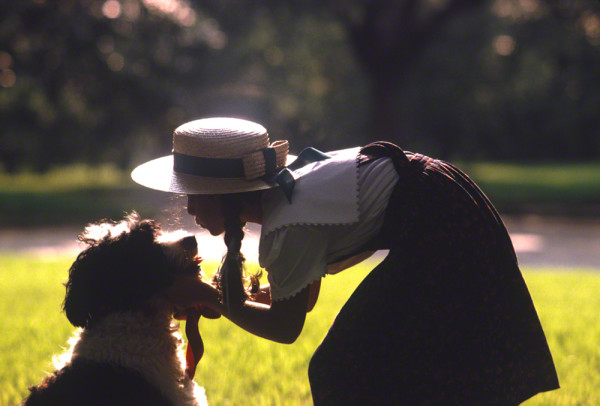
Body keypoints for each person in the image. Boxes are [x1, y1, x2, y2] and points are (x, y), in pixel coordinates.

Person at [131, 117, 559, 405]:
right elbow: (303, 300)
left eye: (193, 194)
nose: (186, 208)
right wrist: (235, 298)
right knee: (384, 363)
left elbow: (286, 328)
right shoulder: (287, 198)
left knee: (342, 368)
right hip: (440, 207)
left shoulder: (286, 225)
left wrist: (210, 294)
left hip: (443, 225)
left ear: (227, 197)